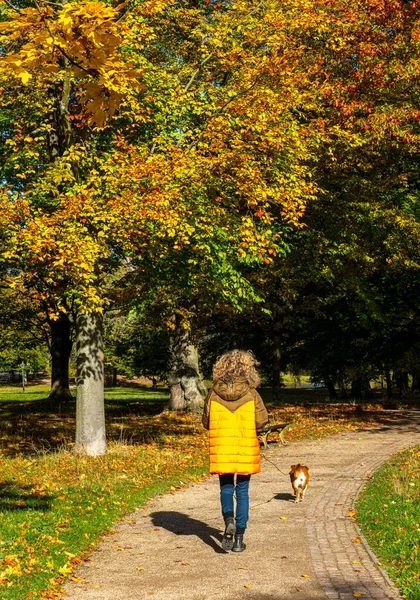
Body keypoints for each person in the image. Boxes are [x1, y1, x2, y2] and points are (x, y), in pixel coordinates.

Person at [202, 349, 269, 552]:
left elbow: (206, 422)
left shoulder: (213, 393)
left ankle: (228, 519)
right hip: (244, 446)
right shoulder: (252, 394)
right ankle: (239, 538)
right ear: (248, 369)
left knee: (225, 488)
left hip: (222, 447)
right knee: (242, 491)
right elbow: (262, 421)